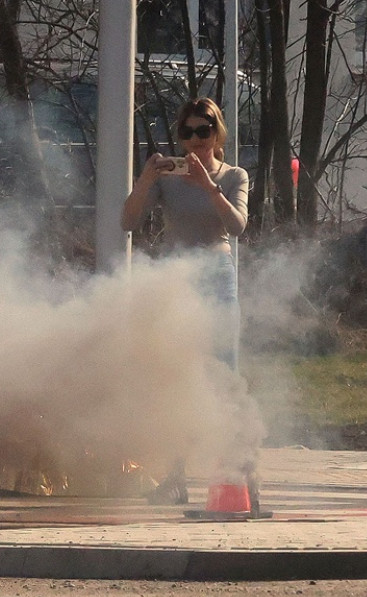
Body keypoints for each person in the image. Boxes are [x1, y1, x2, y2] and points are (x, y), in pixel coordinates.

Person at [121, 97, 250, 507]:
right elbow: (127, 222)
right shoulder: (168, 177)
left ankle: (234, 476)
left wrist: (208, 187)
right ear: (179, 137)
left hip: (216, 277)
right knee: (172, 376)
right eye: (188, 133)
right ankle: (174, 478)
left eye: (204, 131)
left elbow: (237, 225)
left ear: (217, 133)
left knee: (223, 374)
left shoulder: (233, 175)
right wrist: (145, 180)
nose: (196, 141)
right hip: (176, 280)